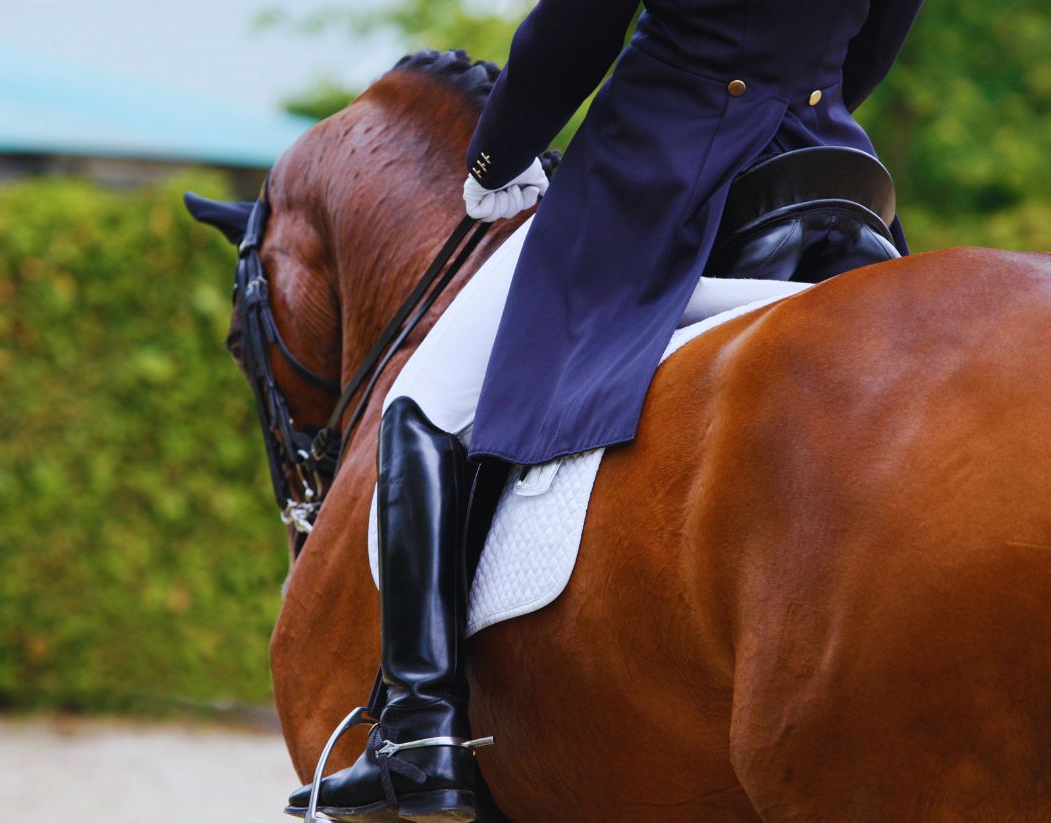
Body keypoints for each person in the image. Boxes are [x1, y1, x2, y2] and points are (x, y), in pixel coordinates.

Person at [287, 0, 922, 820]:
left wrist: (496, 158)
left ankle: (421, 732)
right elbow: (879, 35)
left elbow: (578, 27)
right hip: (833, 172)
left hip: (659, 162)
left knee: (423, 404)